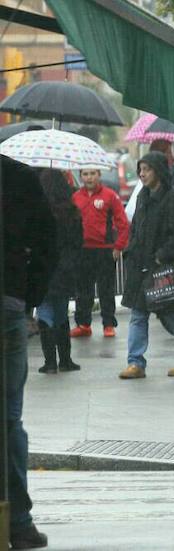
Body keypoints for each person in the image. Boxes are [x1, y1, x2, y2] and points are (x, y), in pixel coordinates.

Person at [4, 156, 55, 549]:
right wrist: (27, 296)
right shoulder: (19, 177)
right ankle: (17, 522)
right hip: (7, 303)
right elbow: (48, 245)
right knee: (8, 417)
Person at [120, 151, 174, 379]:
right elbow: (136, 227)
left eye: (147, 169)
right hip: (140, 265)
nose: (142, 174)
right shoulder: (142, 196)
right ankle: (135, 362)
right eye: (141, 169)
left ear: (158, 171)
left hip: (161, 267)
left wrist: (161, 256)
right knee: (138, 315)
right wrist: (130, 251)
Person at [70, 167, 129, 338]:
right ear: (80, 176)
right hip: (82, 250)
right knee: (82, 289)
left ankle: (108, 324)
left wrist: (118, 246)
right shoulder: (75, 198)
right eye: (85, 174)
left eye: (93, 173)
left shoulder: (110, 196)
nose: (89, 177)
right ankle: (83, 324)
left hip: (105, 251)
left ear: (99, 175)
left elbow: (123, 223)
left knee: (106, 290)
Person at [35, 169, 84, 374]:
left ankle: (49, 362)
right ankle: (65, 360)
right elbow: (78, 242)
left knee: (44, 312)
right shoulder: (72, 212)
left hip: (43, 269)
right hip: (64, 269)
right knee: (62, 313)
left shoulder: (37, 212)